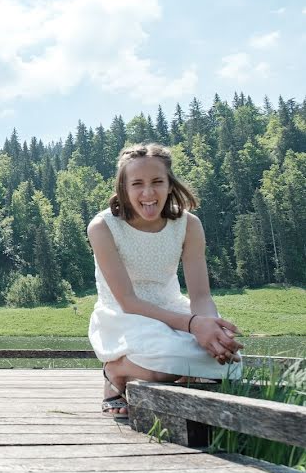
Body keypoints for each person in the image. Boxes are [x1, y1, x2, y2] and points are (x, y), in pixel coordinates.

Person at [87, 143, 242, 417]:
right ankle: (116, 370)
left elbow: (201, 297)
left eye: (157, 182)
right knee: (162, 366)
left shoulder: (189, 224)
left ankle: (176, 367)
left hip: (174, 311)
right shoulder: (103, 227)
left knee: (231, 364)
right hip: (125, 315)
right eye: (137, 184)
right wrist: (195, 326)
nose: (148, 193)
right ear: (123, 188)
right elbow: (129, 301)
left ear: (170, 184)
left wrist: (213, 330)